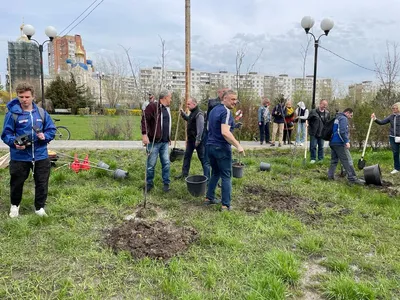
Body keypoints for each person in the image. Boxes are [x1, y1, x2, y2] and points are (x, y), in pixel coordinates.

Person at [1, 82, 56, 218]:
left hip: (40, 155)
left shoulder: (42, 113)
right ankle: (15, 206)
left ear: (33, 97)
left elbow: (51, 129)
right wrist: (14, 143)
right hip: (19, 156)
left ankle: (39, 208)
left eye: (27, 97)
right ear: (18, 97)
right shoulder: (12, 114)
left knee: (42, 183)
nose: (24, 100)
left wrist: (45, 136)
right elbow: (6, 134)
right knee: (17, 183)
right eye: (21, 97)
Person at [205, 90, 245, 211]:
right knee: (226, 176)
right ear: (224, 98)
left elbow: (210, 127)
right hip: (221, 148)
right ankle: (226, 205)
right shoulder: (226, 112)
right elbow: (225, 132)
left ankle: (209, 198)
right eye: (232, 99)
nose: (235, 102)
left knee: (215, 172)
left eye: (235, 99)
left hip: (210, 147)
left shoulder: (213, 110)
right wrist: (238, 145)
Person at [141, 90, 172, 192]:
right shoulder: (153, 107)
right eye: (170, 97)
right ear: (165, 98)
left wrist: (168, 137)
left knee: (166, 163)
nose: (171, 99)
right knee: (151, 164)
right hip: (154, 142)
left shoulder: (167, 109)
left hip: (164, 142)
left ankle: (166, 183)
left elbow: (167, 124)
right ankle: (149, 184)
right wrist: (144, 134)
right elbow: (144, 119)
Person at [327, 108, 364, 185]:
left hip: (332, 142)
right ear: (347, 113)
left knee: (334, 161)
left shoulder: (337, 117)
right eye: (351, 115)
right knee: (346, 160)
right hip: (339, 143)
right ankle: (352, 178)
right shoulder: (343, 118)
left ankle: (330, 177)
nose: (351, 117)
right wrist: (346, 141)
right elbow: (342, 132)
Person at [175, 97, 209, 179]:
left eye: (188, 104)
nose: (187, 106)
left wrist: (198, 139)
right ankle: (184, 173)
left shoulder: (199, 114)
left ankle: (207, 177)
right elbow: (190, 120)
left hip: (198, 141)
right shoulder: (193, 112)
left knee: (203, 159)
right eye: (187, 104)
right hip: (191, 141)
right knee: (187, 156)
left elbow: (200, 128)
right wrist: (183, 114)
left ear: (194, 104)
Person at [371, 102, 400, 174]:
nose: (394, 109)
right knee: (395, 153)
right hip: (393, 137)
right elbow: (381, 122)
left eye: (395, 108)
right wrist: (375, 119)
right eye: (393, 108)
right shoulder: (391, 117)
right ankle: (397, 168)